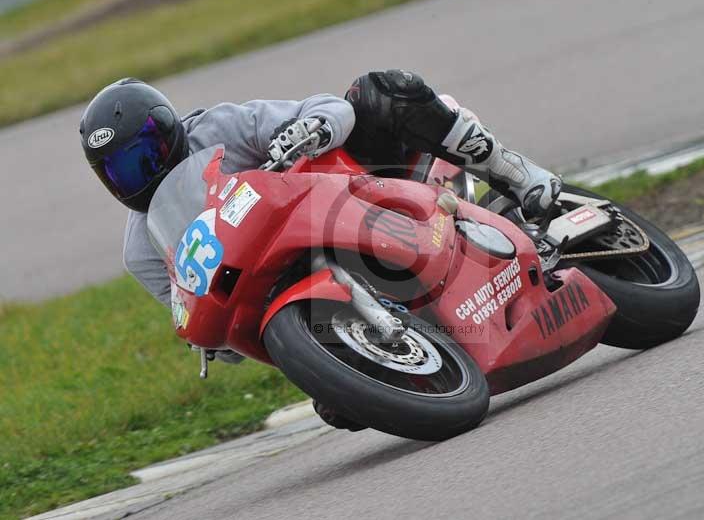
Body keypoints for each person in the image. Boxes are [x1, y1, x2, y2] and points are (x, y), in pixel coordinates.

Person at [79, 71, 561, 429]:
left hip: (353, 196)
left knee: (379, 91)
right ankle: (363, 354)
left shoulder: (219, 127)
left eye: (143, 154)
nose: (139, 173)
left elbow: (331, 108)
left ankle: (515, 172)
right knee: (339, 409)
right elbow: (193, 314)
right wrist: (204, 337)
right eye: (119, 170)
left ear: (167, 131)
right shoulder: (142, 249)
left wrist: (311, 129)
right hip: (280, 275)